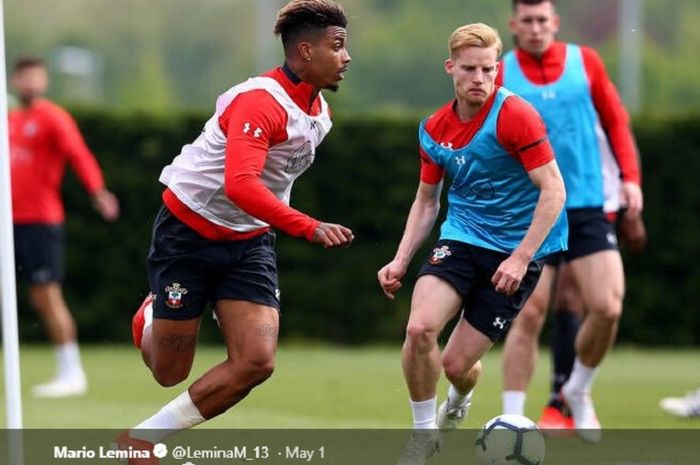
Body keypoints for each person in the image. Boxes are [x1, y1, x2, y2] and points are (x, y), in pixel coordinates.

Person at [114, 0, 353, 461]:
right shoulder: (260, 101)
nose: (347, 57)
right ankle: (151, 314)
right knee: (168, 372)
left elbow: (261, 192)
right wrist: (308, 226)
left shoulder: (319, 112)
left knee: (257, 362)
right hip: (188, 233)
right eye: (337, 46)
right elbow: (240, 185)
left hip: (248, 242)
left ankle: (143, 438)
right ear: (304, 51)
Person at [377, 22, 567, 465]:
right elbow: (427, 201)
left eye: (487, 69)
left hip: (520, 249)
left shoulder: (515, 115)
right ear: (451, 68)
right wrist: (401, 259)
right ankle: (424, 436)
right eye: (469, 69)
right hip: (462, 237)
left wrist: (521, 258)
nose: (479, 78)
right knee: (419, 328)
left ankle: (460, 398)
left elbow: (554, 190)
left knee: (456, 366)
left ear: (498, 70)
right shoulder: (433, 129)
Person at [498, 0, 643, 442]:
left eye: (543, 20)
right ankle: (513, 420)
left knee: (607, 306)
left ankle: (576, 390)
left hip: (585, 204)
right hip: (531, 210)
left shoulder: (586, 62)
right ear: (514, 25)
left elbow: (616, 122)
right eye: (528, 21)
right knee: (527, 313)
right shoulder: (500, 71)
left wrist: (631, 180)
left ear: (555, 23)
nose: (536, 28)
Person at [9, 57, 120, 398]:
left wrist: (98, 192)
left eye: (36, 76)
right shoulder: (10, 120)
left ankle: (71, 374)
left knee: (45, 295)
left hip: (40, 222)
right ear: (15, 81)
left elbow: (79, 155)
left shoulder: (53, 117)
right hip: (7, 223)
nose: (31, 83)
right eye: (25, 77)